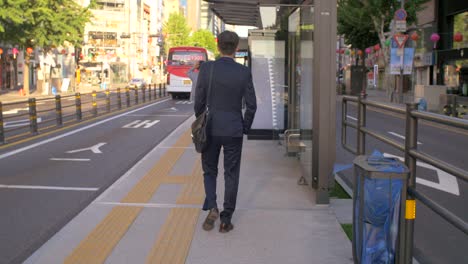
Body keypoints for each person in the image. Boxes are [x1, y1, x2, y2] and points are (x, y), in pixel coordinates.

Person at [194, 31, 257, 233]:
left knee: (209, 170)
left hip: (210, 127)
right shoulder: (243, 72)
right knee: (231, 174)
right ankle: (225, 220)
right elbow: (252, 105)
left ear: (218, 46)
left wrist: (201, 121)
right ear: (236, 48)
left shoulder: (207, 69)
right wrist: (244, 126)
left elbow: (199, 102)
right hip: (233, 129)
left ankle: (212, 205)